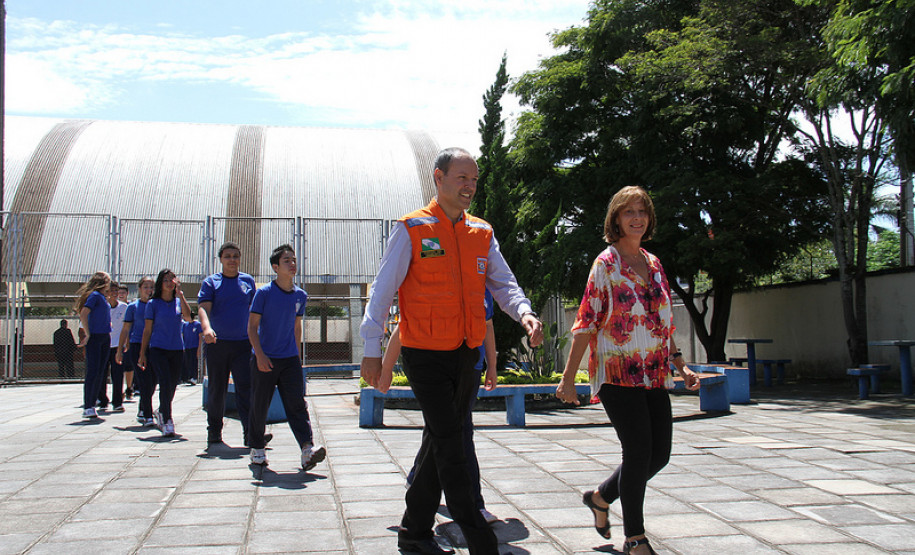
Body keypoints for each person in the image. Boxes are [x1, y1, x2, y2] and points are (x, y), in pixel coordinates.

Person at [360, 147, 543, 555]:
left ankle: (414, 531)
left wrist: (525, 314)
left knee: (444, 438)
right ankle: (480, 539)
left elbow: (503, 282)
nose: (469, 187)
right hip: (424, 353)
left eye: (474, 180)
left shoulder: (481, 232)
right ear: (438, 178)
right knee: (452, 441)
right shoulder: (411, 228)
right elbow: (383, 289)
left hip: (466, 352)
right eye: (461, 178)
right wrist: (372, 348)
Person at [555, 186, 700, 555]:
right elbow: (586, 322)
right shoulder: (605, 264)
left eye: (642, 211)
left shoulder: (653, 264)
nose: (636, 217)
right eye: (628, 212)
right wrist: (568, 378)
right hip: (617, 372)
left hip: (653, 373)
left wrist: (681, 366)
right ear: (615, 219)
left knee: (659, 455)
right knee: (637, 452)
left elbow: (662, 325)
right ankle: (635, 537)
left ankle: (601, 498)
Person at [384, 289, 499, 524]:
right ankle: (474, 505)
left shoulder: (482, 289)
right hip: (439, 368)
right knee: (460, 432)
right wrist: (385, 369)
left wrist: (492, 366)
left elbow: (487, 326)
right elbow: (404, 326)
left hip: (471, 369)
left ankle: (417, 479)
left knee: (441, 431)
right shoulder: (438, 283)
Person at [247, 244, 325, 471]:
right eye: (287, 261)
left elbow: (296, 326)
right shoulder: (264, 294)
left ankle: (306, 449)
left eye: (294, 260)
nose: (292, 264)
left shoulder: (301, 295)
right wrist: (259, 355)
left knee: (297, 405)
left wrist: (298, 357)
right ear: (275, 267)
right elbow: (252, 327)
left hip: (290, 359)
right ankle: (257, 449)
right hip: (265, 358)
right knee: (259, 405)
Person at [198, 242, 260, 447]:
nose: (232, 260)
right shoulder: (211, 283)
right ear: (221, 259)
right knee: (217, 388)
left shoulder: (248, 281)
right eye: (228, 256)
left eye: (235, 256)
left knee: (246, 388)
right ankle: (214, 431)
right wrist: (206, 329)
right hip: (218, 344)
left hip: (243, 344)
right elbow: (203, 309)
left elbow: (255, 311)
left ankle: (250, 434)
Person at [139, 269, 192, 437]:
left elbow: (189, 317)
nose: (169, 283)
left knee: (173, 384)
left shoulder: (178, 302)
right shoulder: (153, 304)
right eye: (166, 280)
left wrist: (181, 295)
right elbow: (147, 330)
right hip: (158, 348)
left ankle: (161, 410)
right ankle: (167, 420)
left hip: (176, 348)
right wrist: (142, 353)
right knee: (164, 382)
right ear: (160, 284)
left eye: (172, 279)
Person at [117, 277, 156, 425]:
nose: (149, 290)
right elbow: (125, 329)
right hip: (136, 346)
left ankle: (142, 408)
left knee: (153, 382)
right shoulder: (133, 307)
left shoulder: (156, 305)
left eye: (151, 287)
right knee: (144, 381)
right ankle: (147, 414)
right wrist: (120, 350)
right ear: (140, 289)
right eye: (145, 287)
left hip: (154, 346)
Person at [75, 271, 112, 419]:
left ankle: (93, 400)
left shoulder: (102, 298)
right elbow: (83, 314)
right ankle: (88, 405)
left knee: (101, 372)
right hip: (96, 337)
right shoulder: (95, 296)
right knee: (93, 371)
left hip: (104, 336)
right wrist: (88, 333)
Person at [101, 282, 129, 412]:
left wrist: (126, 342)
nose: (114, 293)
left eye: (116, 291)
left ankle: (117, 401)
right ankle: (102, 400)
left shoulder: (124, 307)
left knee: (117, 374)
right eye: (111, 290)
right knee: (102, 373)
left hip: (118, 345)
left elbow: (127, 326)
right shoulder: (102, 307)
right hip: (104, 344)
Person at [181, 316, 203, 385]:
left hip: (194, 346)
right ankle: (189, 377)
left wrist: (199, 348)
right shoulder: (185, 325)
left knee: (194, 362)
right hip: (187, 346)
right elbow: (182, 335)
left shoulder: (197, 324)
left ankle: (194, 378)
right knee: (187, 362)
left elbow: (200, 337)